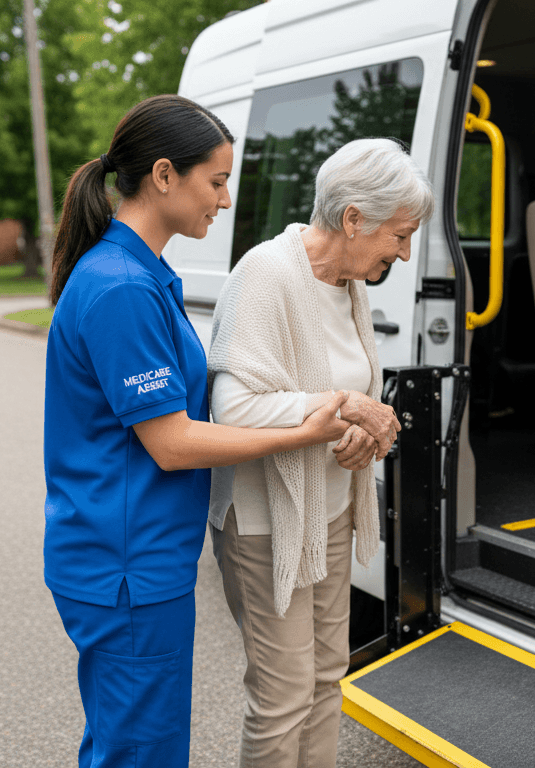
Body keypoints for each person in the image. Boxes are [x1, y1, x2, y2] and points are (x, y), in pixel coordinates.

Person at [41, 95, 352, 768]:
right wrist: (303, 429)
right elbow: (173, 442)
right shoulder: (122, 287)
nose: (224, 198)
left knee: (128, 744)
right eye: (215, 180)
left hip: (133, 558)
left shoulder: (140, 273)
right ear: (163, 175)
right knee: (141, 754)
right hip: (127, 564)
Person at [207, 138, 435, 768]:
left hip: (329, 512)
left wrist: (358, 428)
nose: (404, 253)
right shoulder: (267, 273)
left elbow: (340, 397)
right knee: (283, 697)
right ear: (353, 218)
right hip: (266, 523)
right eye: (400, 235)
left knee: (329, 675)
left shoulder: (347, 283)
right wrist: (348, 408)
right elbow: (235, 409)